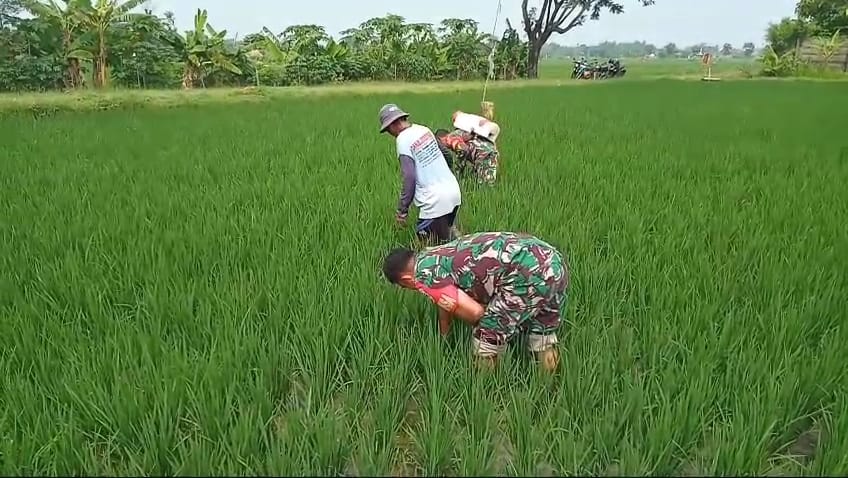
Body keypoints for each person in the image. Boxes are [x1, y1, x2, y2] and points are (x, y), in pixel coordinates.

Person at [381, 231, 569, 371]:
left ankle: (486, 390)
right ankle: (549, 387)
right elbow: (446, 297)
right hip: (552, 262)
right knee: (542, 333)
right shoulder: (433, 255)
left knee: (486, 336)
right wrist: (444, 333)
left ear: (405, 281)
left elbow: (476, 313)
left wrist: (491, 321)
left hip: (525, 274)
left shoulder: (424, 278)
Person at [379, 103, 462, 245]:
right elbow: (447, 155)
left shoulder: (402, 140)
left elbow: (409, 178)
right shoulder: (423, 129)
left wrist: (402, 211)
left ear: (392, 125)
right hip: (453, 192)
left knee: (424, 249)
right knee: (449, 239)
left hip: (434, 202)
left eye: (388, 130)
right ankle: (464, 254)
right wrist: (444, 177)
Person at [435, 128, 499, 186]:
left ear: (440, 139)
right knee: (480, 181)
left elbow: (463, 150)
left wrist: (459, 171)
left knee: (485, 187)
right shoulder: (459, 133)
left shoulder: (450, 138)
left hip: (483, 155)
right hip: (487, 151)